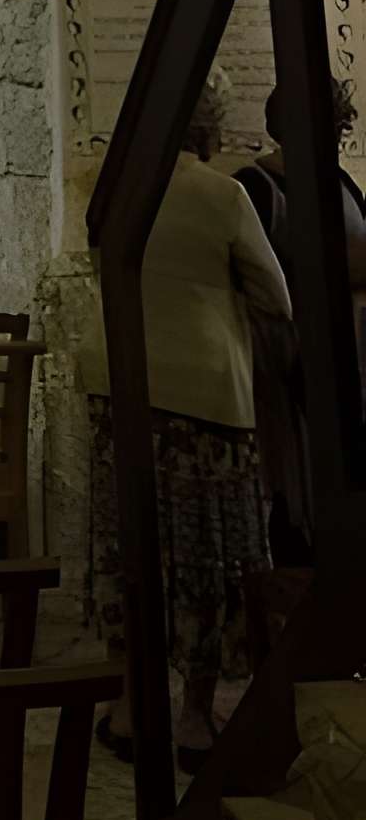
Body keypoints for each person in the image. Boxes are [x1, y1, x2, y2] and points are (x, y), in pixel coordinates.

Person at [79, 75, 291, 772]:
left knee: (130, 550)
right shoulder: (221, 194)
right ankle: (196, 717)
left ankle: (130, 705)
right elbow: (275, 297)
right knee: (207, 559)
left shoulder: (116, 186)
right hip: (205, 397)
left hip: (121, 383)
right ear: (212, 127)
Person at [233, 75, 366, 558]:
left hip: (346, 359)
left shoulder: (341, 181)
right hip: (286, 363)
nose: (335, 135)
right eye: (329, 124)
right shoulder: (255, 187)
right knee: (293, 487)